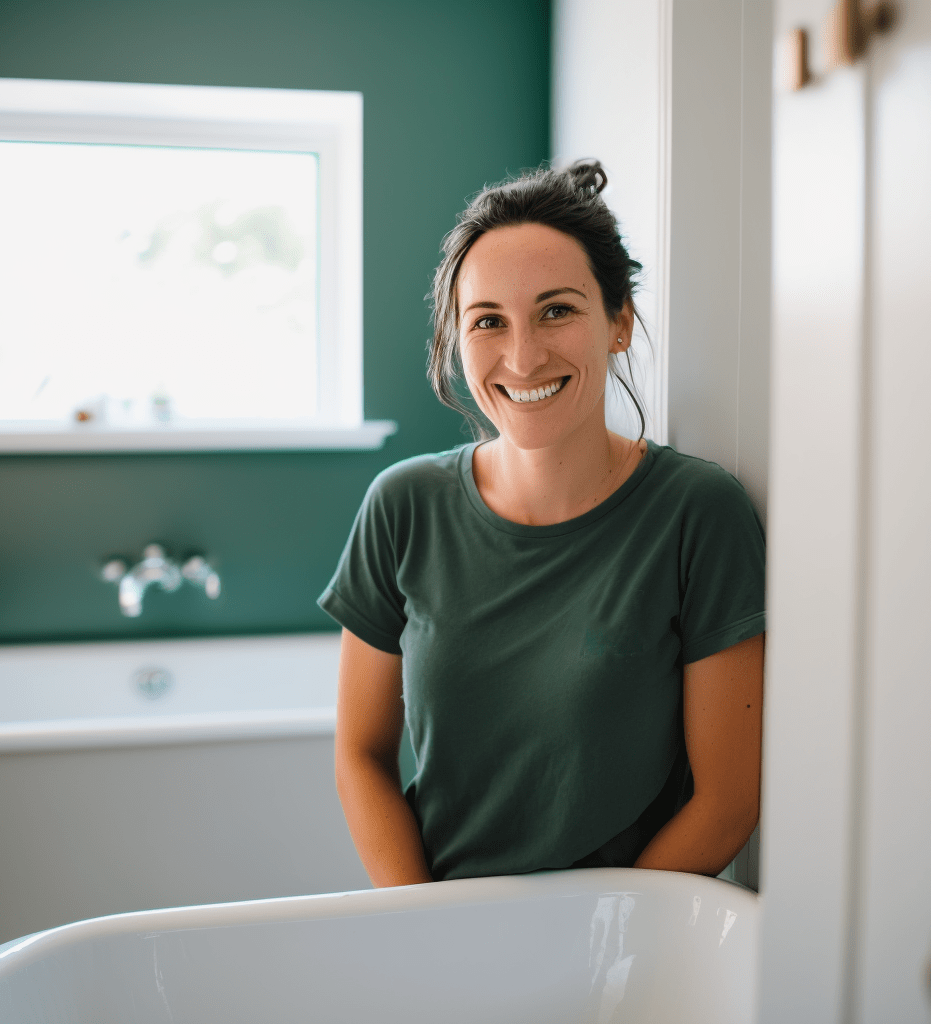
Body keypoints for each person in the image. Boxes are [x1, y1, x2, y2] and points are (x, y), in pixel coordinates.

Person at [318, 161, 765, 887]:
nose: (523, 356)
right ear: (456, 340)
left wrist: (606, 950)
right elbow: (361, 755)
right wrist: (424, 926)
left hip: (621, 955)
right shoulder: (402, 506)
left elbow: (727, 800)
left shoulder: (698, 513)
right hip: (446, 938)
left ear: (618, 322)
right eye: (488, 321)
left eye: (557, 310)